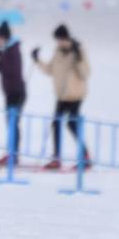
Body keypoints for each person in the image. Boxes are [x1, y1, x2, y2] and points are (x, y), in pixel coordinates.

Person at [32, 24, 90, 169]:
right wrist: (37, 59)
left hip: (75, 96)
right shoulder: (58, 52)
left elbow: (85, 73)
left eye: (61, 39)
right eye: (57, 40)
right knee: (56, 124)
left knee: (72, 124)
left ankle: (85, 155)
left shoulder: (78, 51)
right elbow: (50, 70)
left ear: (67, 38)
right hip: (61, 96)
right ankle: (56, 158)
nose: (59, 43)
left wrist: (78, 58)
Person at [0, 21, 26, 166]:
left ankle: (14, 154)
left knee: (13, 123)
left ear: (3, 37)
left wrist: (0, 56)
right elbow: (0, 68)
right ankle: (11, 153)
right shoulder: (7, 50)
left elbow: (12, 70)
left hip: (16, 92)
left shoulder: (12, 50)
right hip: (10, 92)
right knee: (10, 123)